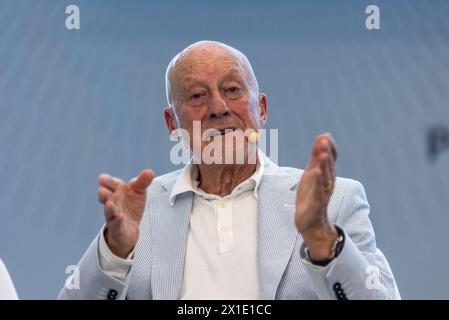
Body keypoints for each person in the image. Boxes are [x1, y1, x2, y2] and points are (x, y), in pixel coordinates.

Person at [59, 41, 399, 300]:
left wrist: (322, 236)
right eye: (196, 96)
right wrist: (114, 254)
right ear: (171, 123)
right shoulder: (139, 211)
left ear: (261, 109)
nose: (218, 109)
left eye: (233, 90)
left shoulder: (335, 201)